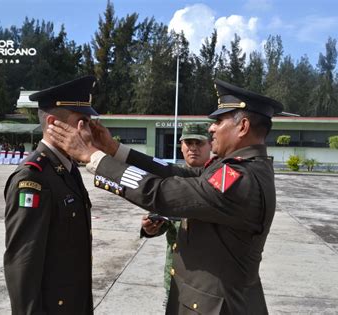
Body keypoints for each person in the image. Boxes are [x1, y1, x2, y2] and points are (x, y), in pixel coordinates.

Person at [48, 79, 283, 314]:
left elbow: (164, 193)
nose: (211, 128)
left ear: (242, 127)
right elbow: (175, 172)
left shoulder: (241, 179)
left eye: (219, 121)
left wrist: (94, 158)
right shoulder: (235, 167)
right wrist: (114, 150)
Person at [3, 76, 98, 315]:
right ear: (54, 124)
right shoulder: (32, 179)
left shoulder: (68, 168)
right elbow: (22, 266)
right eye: (82, 122)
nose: (88, 132)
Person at [141, 122, 212, 298]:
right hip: (178, 272)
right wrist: (150, 227)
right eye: (189, 143)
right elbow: (166, 222)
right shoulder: (171, 180)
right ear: (181, 147)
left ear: (211, 145)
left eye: (199, 143)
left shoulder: (219, 178)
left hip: (211, 277)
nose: (193, 148)